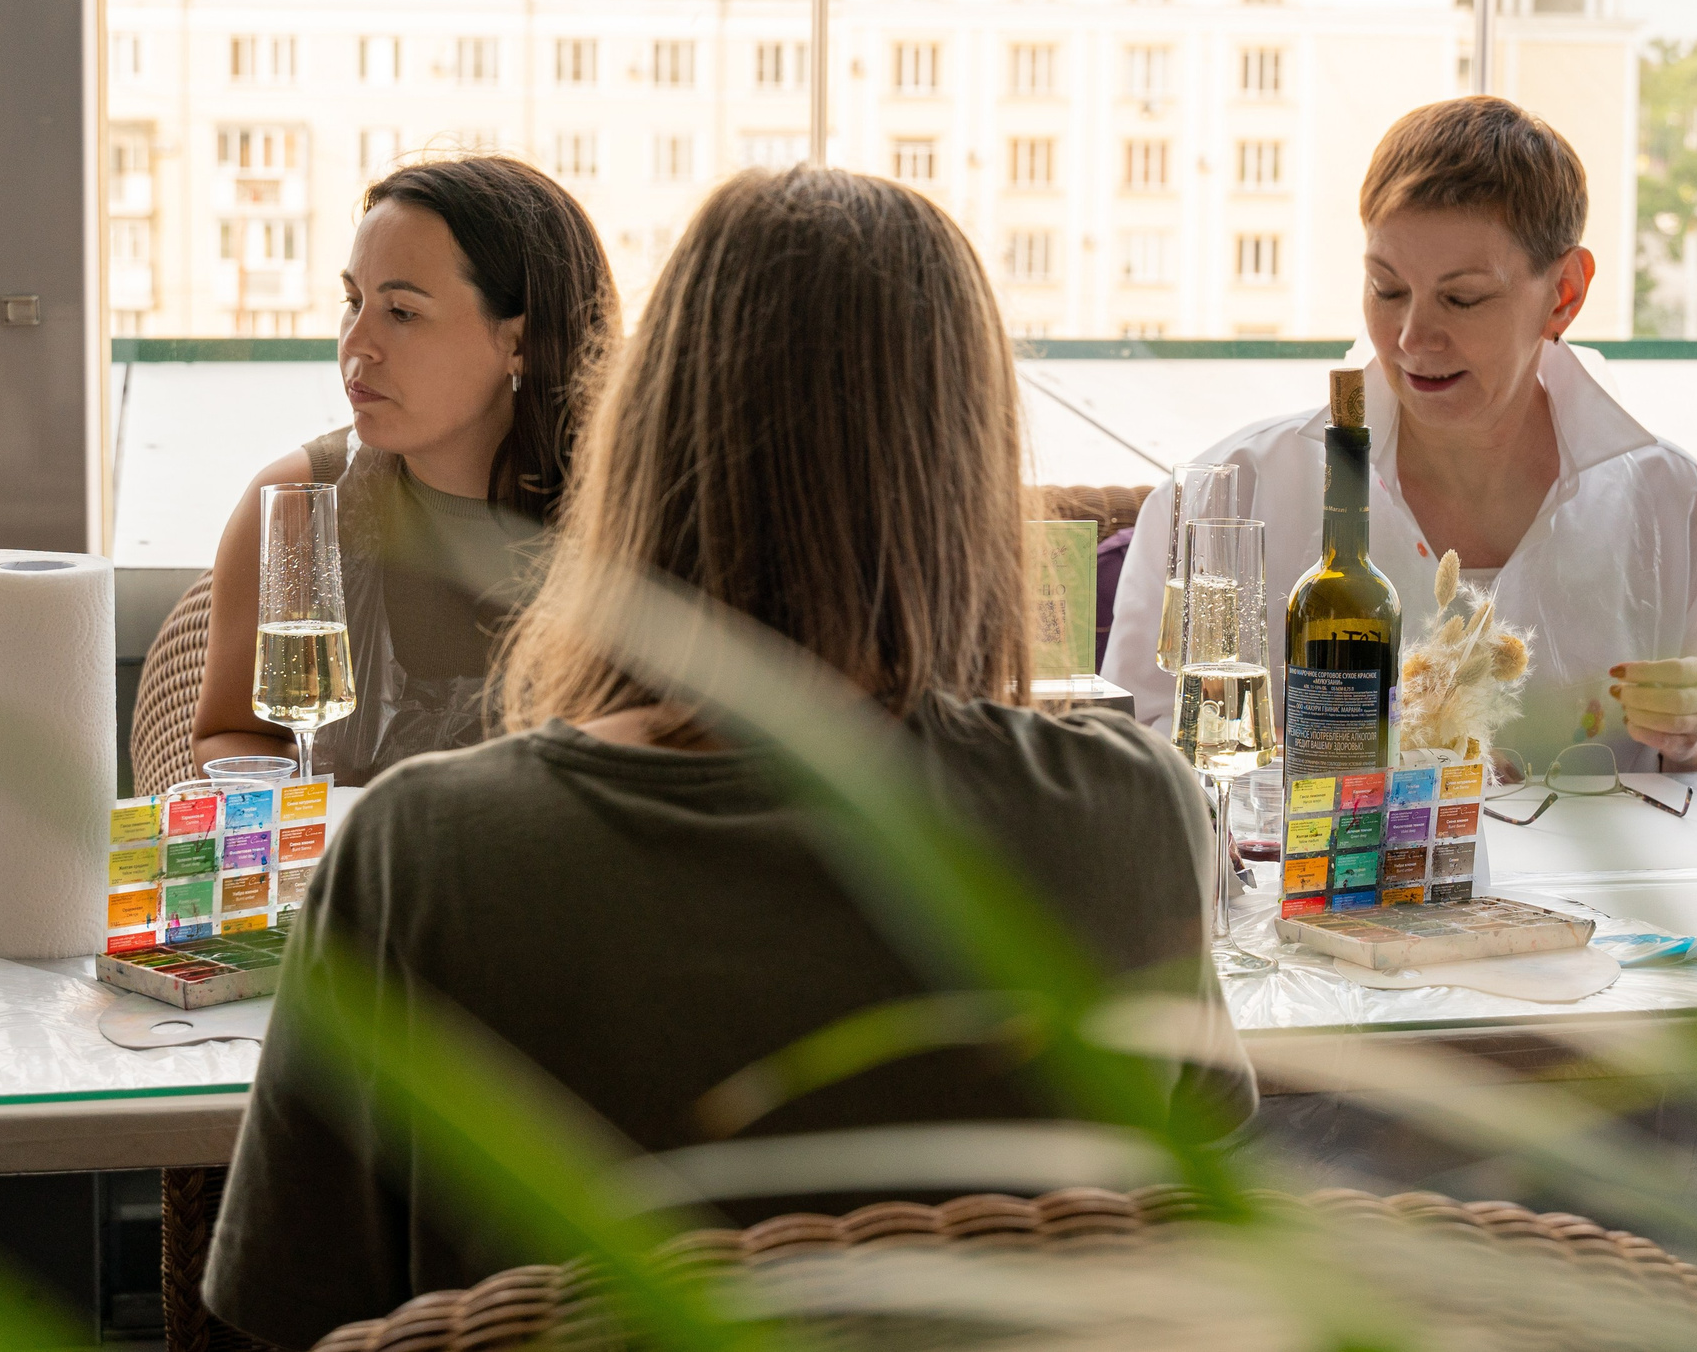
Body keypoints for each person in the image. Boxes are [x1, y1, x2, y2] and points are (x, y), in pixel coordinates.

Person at [204, 166, 1258, 1348]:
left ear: (645, 432)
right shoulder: (1133, 812)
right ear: (968, 463)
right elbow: (1191, 1235)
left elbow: (289, 1314)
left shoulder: (422, 849)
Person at [1106, 97, 1697, 773]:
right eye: (1388, 288)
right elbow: (1136, 764)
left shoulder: (1674, 507)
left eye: (1462, 298)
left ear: (1565, 294)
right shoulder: (1230, 496)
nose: (1412, 339)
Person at [189, 155, 618, 788]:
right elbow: (230, 736)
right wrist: (341, 835)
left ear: (520, 342)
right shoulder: (296, 509)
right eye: (353, 302)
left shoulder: (630, 521)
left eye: (402, 312)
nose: (356, 343)